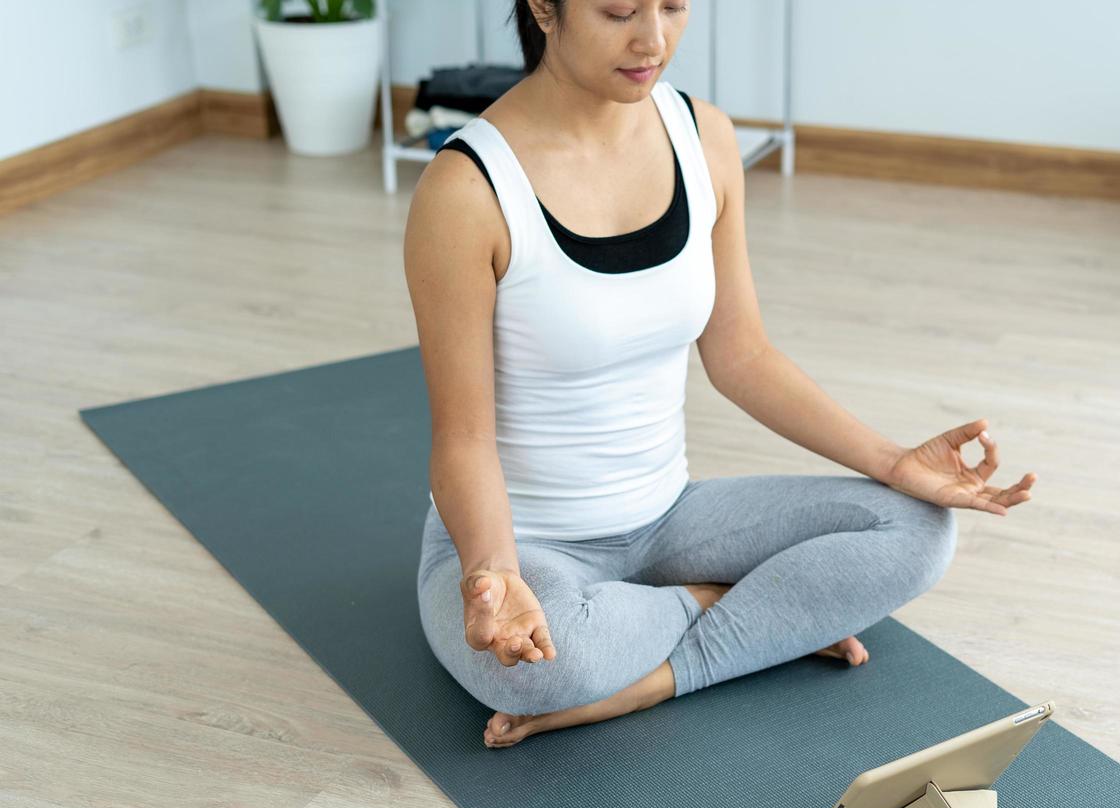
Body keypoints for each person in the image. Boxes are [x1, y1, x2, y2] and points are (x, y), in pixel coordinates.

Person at [403, 0, 1037, 749]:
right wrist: (495, 575)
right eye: (617, 11)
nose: (653, 39)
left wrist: (896, 463)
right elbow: (464, 440)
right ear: (544, 6)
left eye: (674, 6)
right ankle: (726, 611)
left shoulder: (703, 137)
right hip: (526, 544)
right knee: (539, 666)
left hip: (667, 517)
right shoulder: (465, 190)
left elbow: (741, 355)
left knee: (916, 527)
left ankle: (648, 683)